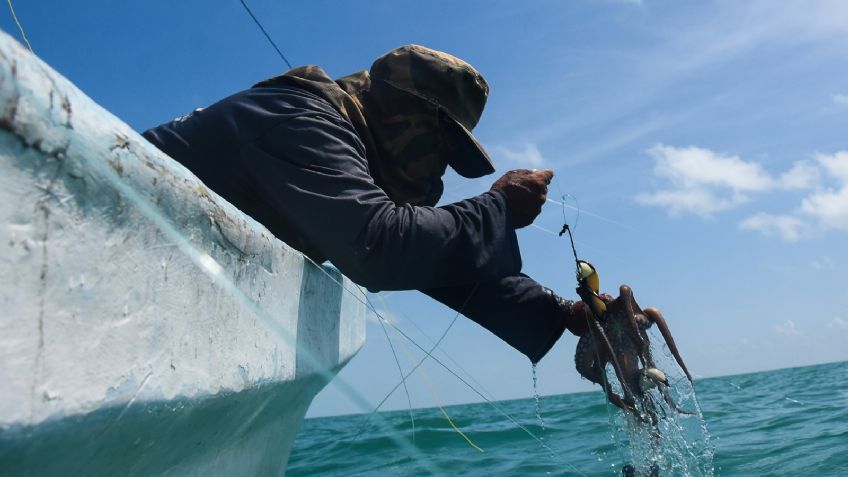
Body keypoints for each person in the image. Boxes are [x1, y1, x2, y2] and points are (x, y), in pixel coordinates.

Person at [143, 44, 588, 364]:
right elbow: (379, 246)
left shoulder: (338, 157)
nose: (441, 173)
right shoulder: (297, 118)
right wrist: (499, 209)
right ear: (402, 114)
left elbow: (431, 262)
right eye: (442, 149)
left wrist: (566, 316)